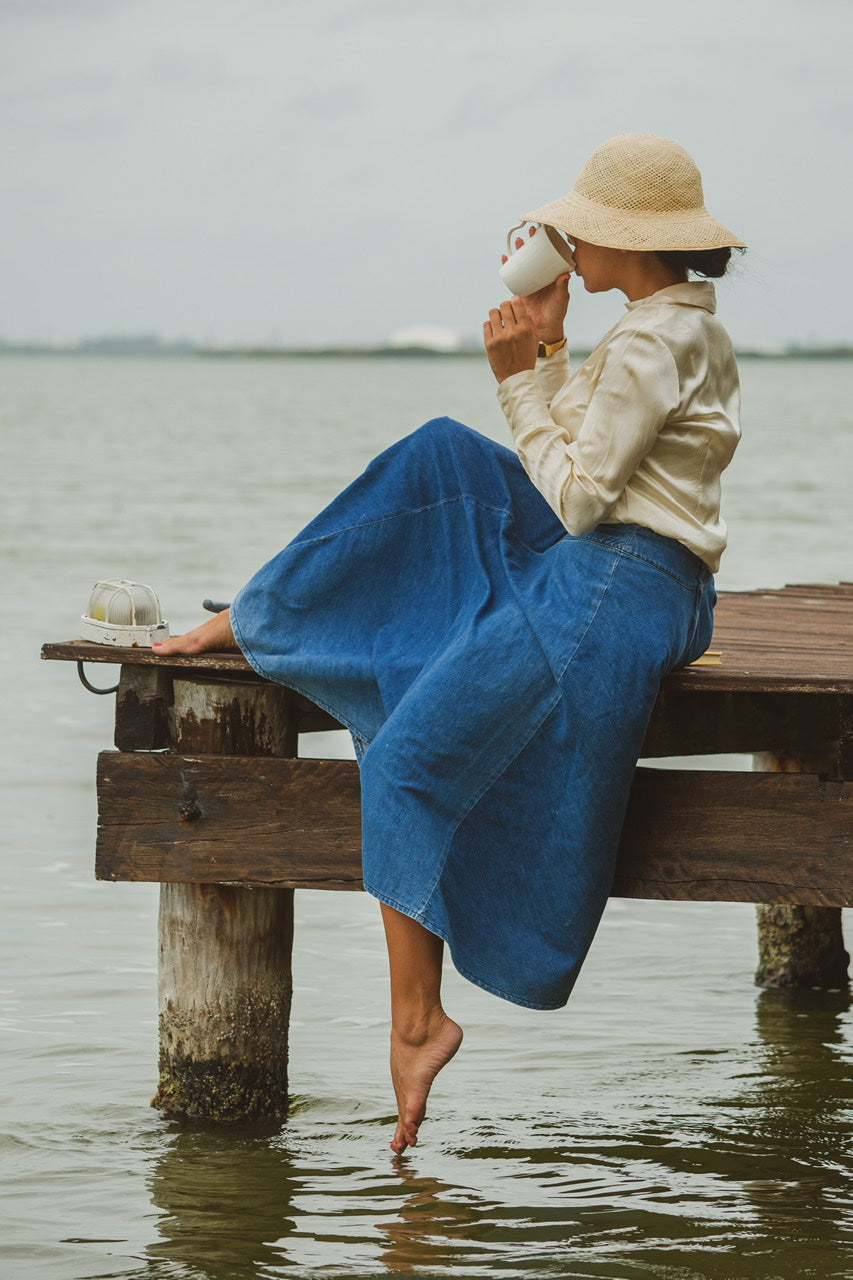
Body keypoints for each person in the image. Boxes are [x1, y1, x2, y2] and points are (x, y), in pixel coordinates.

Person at [154, 133, 746, 1156]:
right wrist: (553, 353)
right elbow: (595, 461)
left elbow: (576, 496)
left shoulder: (652, 343)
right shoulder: (672, 327)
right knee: (439, 457)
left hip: (614, 583)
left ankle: (416, 1021)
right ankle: (263, 613)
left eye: (579, 228)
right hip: (644, 578)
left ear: (623, 242)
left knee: (412, 758)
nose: (562, 240)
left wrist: (515, 378)